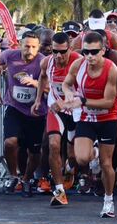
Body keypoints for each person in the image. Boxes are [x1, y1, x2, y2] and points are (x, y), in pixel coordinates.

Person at [60, 31, 117, 217]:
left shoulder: (111, 69)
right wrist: (69, 93)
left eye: (94, 52)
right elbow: (66, 83)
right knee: (81, 159)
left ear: (103, 50)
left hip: (107, 116)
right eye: (86, 51)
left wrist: (82, 102)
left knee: (106, 163)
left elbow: (108, 102)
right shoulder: (78, 65)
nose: (89, 56)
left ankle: (108, 201)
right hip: (87, 117)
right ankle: (94, 150)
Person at [0, 32, 46, 195]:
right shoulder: (9, 55)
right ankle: (13, 175)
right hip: (14, 107)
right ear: (20, 45)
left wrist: (36, 83)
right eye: (27, 46)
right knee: (10, 142)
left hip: (36, 112)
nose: (30, 50)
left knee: (34, 152)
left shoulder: (43, 61)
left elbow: (50, 86)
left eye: (33, 47)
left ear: (38, 48)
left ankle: (27, 179)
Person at [33, 32, 81, 202]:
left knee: (74, 155)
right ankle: (60, 191)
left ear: (70, 49)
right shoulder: (46, 62)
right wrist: (38, 100)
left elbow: (86, 89)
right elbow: (42, 78)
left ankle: (69, 169)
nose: (59, 56)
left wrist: (69, 101)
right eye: (55, 51)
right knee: (53, 144)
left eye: (63, 52)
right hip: (56, 109)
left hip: (75, 110)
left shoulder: (79, 62)